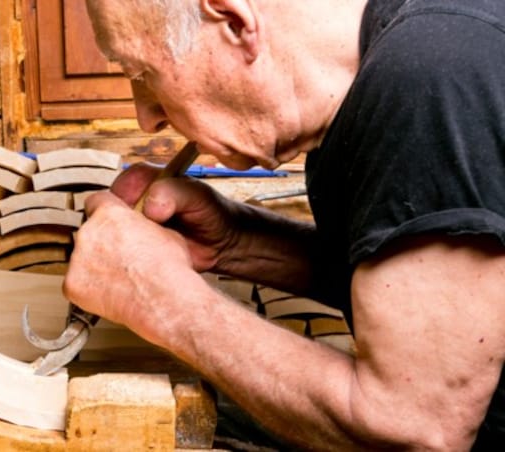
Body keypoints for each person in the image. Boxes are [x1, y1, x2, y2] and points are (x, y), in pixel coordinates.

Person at [62, 0, 505, 449]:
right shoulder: (392, 63)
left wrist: (161, 300)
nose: (146, 116)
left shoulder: (429, 83)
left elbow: (419, 430)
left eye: (142, 73)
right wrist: (237, 243)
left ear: (235, 23)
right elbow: (426, 308)